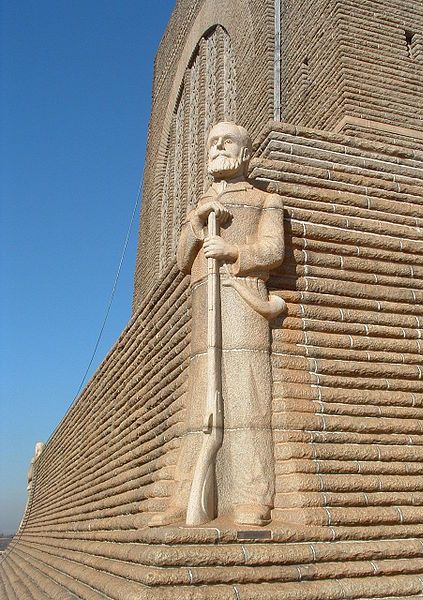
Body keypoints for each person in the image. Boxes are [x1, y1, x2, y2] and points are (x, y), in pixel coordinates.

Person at [150, 122, 284, 526]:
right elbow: (180, 259)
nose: (218, 147)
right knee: (199, 405)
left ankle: (251, 496)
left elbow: (273, 250)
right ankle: (189, 493)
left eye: (227, 142)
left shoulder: (266, 199)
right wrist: (197, 220)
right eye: (211, 142)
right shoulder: (200, 204)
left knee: (247, 395)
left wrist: (232, 250)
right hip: (203, 304)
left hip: (242, 298)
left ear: (245, 154)